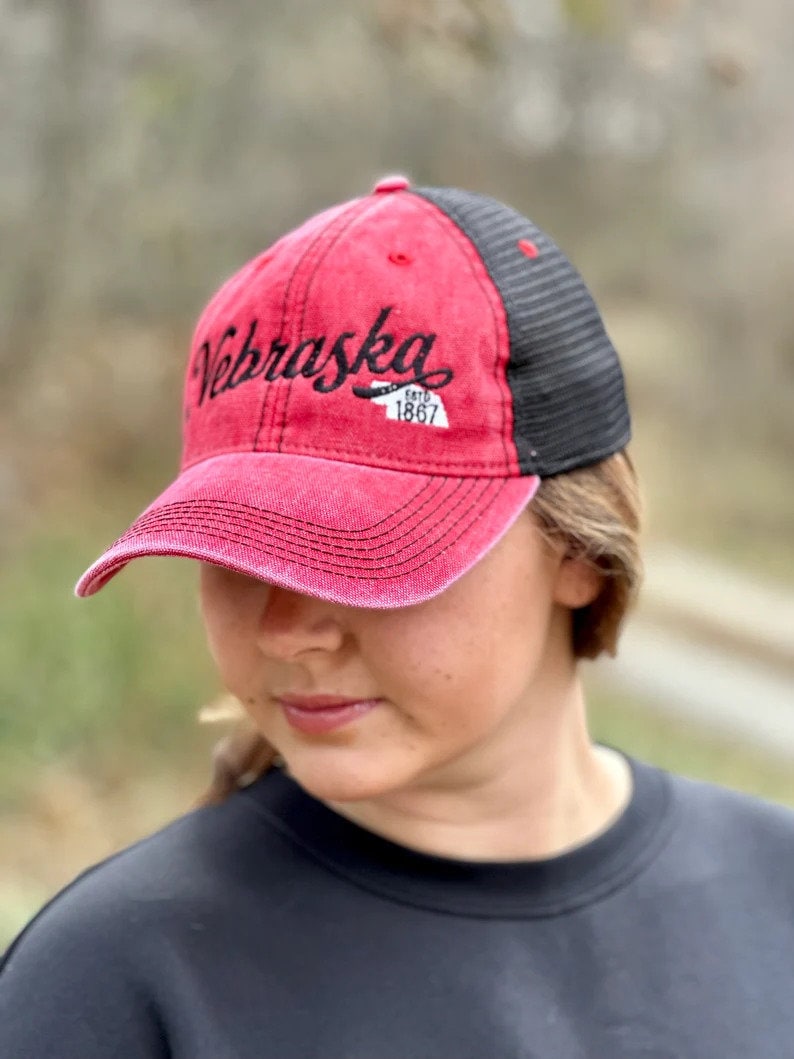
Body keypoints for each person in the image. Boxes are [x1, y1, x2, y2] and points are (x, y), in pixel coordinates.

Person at [1, 177, 792, 1059]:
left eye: (365, 552)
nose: (284, 629)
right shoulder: (111, 988)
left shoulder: (775, 900)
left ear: (576, 550)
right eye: (235, 551)